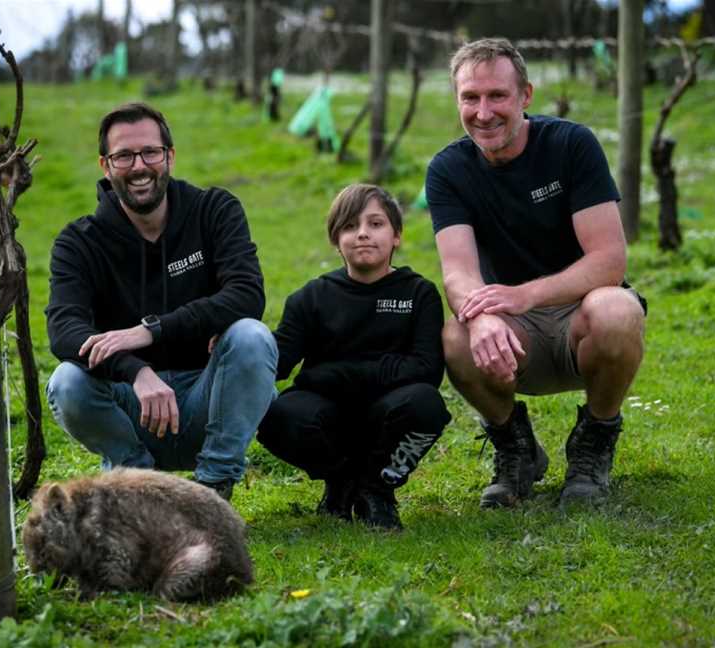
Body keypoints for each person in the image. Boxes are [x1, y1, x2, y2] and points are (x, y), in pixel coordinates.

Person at [426, 38, 646, 508]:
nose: (483, 112)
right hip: (512, 332)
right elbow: (459, 272)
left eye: (497, 96)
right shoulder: (448, 170)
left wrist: (525, 295)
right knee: (454, 335)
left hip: (580, 321)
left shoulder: (571, 145)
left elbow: (609, 261)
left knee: (616, 310)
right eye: (470, 98)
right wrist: (479, 314)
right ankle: (516, 449)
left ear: (525, 95)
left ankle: (594, 441)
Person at [45, 102, 277, 501]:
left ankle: (213, 490)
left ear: (169, 156)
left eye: (150, 152)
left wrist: (150, 331)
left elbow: (247, 294)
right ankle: (140, 485)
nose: (139, 166)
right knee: (66, 381)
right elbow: (65, 330)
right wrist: (135, 370)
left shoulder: (214, 211)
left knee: (252, 337)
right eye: (123, 156)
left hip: (211, 400)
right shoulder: (78, 242)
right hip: (128, 408)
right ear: (105, 165)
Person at [257, 184, 450, 530]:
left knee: (426, 405)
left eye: (375, 224)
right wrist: (230, 341)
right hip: (328, 418)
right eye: (349, 226)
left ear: (397, 237)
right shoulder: (311, 297)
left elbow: (426, 369)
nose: (362, 234)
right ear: (335, 240)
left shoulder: (419, 293)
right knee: (277, 415)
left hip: (391, 413)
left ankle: (378, 490)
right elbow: (277, 361)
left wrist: (330, 375)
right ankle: (342, 481)